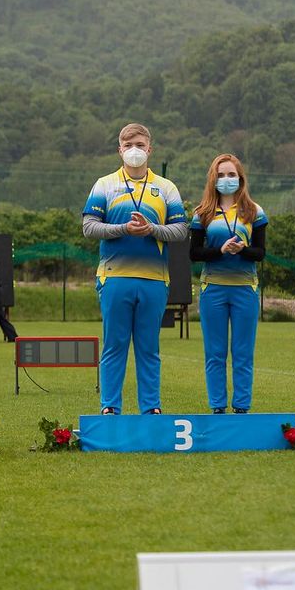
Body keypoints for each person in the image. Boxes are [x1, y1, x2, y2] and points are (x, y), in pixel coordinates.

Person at [82, 123, 188, 415]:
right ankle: (110, 408)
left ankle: (151, 408)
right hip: (114, 277)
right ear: (119, 150)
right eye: (128, 145)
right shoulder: (104, 184)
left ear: (150, 149)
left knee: (148, 349)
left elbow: (180, 230)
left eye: (140, 145)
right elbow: (89, 227)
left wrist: (152, 229)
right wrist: (124, 229)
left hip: (154, 279)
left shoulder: (166, 188)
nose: (134, 150)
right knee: (114, 345)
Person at [189, 154, 267, 414]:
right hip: (213, 290)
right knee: (215, 353)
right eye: (221, 175)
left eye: (231, 174)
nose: (226, 179)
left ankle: (242, 407)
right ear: (213, 179)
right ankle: (218, 407)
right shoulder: (202, 213)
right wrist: (220, 250)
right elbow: (194, 254)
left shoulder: (255, 211)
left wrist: (242, 249)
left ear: (240, 178)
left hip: (245, 289)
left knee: (243, 353)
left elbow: (260, 252)